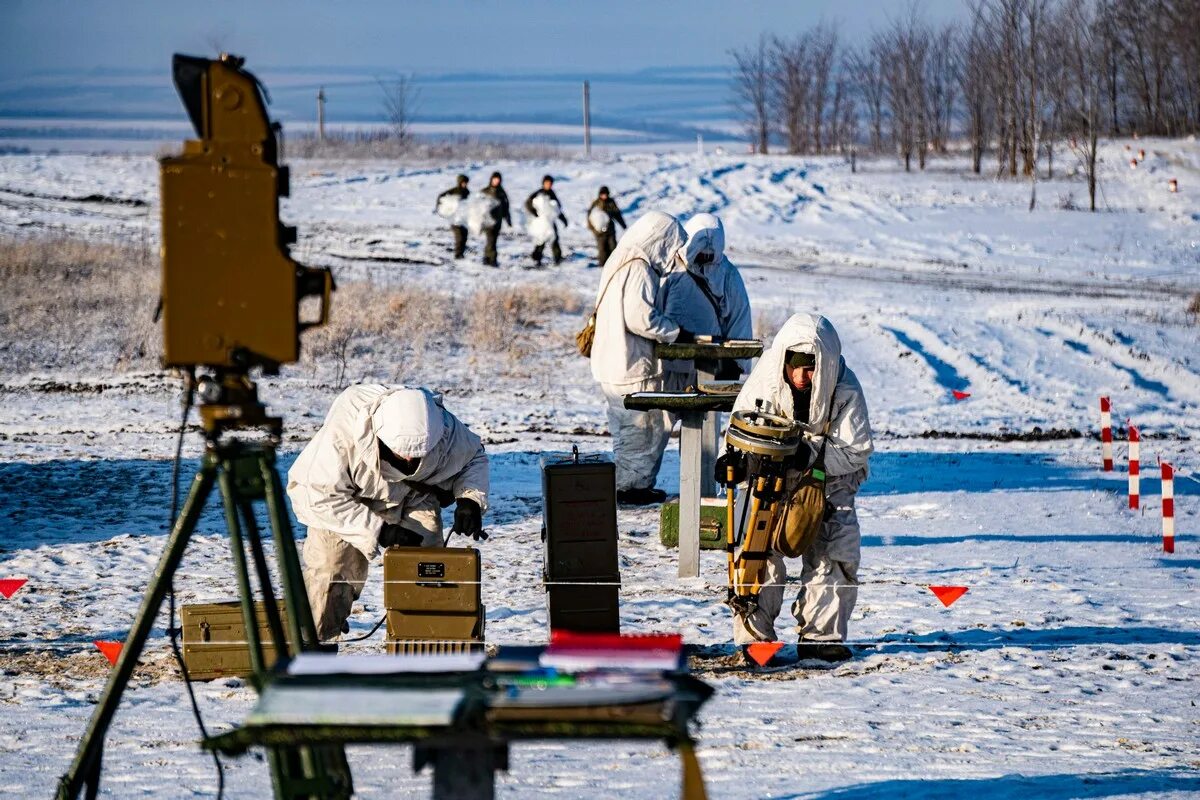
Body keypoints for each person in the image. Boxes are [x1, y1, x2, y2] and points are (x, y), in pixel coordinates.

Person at [717, 313, 872, 663]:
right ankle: (755, 640)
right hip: (771, 477)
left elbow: (855, 451)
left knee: (834, 553)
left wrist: (809, 453)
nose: (804, 376)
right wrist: (734, 460)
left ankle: (822, 637)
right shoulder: (765, 380)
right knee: (756, 550)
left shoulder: (845, 389)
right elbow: (741, 429)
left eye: (812, 367)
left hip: (830, 479)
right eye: (797, 366)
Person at [287, 384, 489, 641]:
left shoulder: (444, 427)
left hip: (413, 497)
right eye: (400, 455)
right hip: (345, 503)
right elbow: (319, 497)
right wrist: (379, 530)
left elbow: (474, 458)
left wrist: (469, 499)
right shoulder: (343, 435)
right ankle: (315, 647)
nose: (407, 461)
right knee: (331, 571)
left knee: (428, 570)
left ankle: (423, 644)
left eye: (416, 457)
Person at [588, 210, 693, 505]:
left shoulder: (620, 261)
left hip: (613, 362)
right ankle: (631, 488)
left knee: (627, 429)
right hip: (632, 366)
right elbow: (641, 318)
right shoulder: (639, 268)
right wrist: (674, 331)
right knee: (644, 430)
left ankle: (630, 483)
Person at [661, 213, 753, 397]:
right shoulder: (671, 267)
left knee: (707, 420)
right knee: (665, 421)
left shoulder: (727, 274)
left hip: (711, 365)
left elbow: (739, 319)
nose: (704, 257)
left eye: (709, 254)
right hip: (669, 362)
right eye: (700, 252)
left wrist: (736, 363)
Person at [524, 174, 568, 266]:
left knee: (554, 239)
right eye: (547, 183)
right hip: (542, 222)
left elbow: (556, 209)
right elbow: (528, 203)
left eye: (550, 183)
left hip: (550, 222)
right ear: (543, 183)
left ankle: (557, 258)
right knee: (541, 240)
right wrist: (535, 213)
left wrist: (563, 219)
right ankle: (536, 258)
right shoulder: (538, 193)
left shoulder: (552, 194)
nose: (549, 185)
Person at [587, 186, 626, 266]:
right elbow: (590, 217)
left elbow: (617, 215)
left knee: (613, 248)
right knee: (602, 250)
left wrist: (623, 225)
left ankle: (614, 265)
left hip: (610, 230)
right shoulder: (595, 203)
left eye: (605, 194)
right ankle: (602, 266)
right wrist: (593, 230)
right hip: (599, 232)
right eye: (602, 194)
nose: (604, 196)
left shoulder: (611, 202)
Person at [435, 174, 470, 259]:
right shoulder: (453, 191)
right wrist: (439, 208)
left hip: (463, 219)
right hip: (454, 219)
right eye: (463, 182)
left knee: (464, 236)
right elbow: (441, 196)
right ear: (459, 182)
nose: (465, 184)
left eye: (466, 182)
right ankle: (458, 255)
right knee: (459, 237)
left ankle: (461, 254)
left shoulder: (467, 192)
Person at [480, 171, 511, 267]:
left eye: (498, 180)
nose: (496, 181)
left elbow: (506, 206)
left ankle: (486, 258)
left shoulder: (502, 192)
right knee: (491, 239)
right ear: (491, 180)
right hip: (487, 220)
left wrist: (508, 219)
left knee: (492, 240)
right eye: (495, 179)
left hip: (498, 220)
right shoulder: (485, 191)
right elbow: (477, 206)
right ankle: (492, 259)